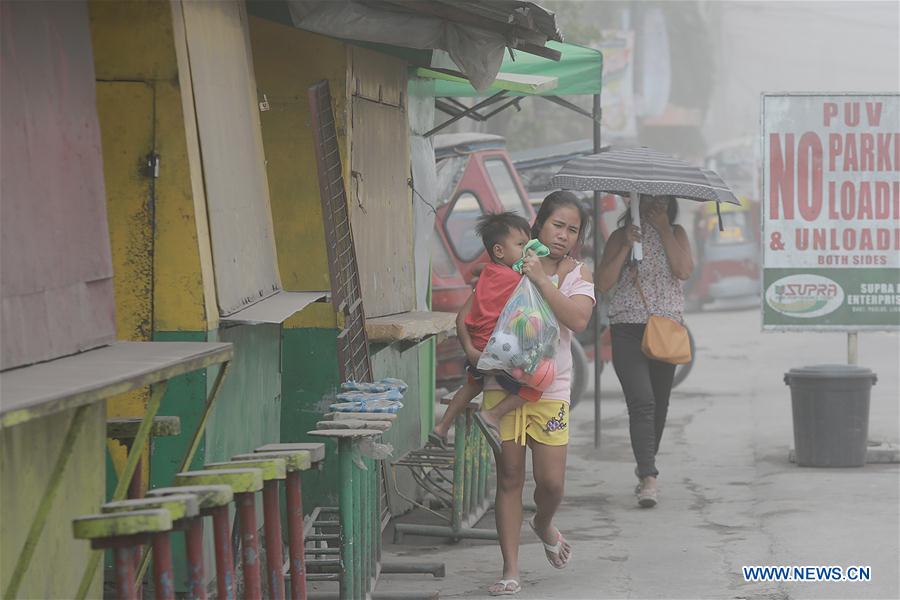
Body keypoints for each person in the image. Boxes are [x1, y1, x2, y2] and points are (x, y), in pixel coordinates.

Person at [480, 191, 594, 596]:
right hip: (503, 384)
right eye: (556, 225)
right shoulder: (512, 261)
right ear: (539, 224)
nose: (563, 235)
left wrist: (542, 279)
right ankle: (511, 570)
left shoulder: (579, 273)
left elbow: (578, 319)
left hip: (550, 388)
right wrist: (468, 344)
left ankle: (543, 523)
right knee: (509, 476)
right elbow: (477, 307)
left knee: (551, 484)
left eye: (572, 230)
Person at [430, 212, 571, 454]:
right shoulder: (515, 278)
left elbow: (465, 311)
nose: (527, 252)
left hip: (478, 345)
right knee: (537, 386)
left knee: (472, 385)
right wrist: (558, 274)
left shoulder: (487, 274)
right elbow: (544, 289)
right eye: (520, 246)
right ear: (499, 251)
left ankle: (441, 427)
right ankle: (491, 416)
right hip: (501, 350)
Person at [596, 194, 693, 508]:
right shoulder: (618, 237)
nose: (654, 206)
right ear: (634, 204)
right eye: (648, 201)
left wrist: (664, 229)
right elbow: (602, 282)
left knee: (659, 404)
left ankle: (644, 465)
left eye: (661, 202)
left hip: (665, 329)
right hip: (626, 327)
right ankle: (649, 477)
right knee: (642, 402)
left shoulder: (677, 233)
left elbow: (683, 271)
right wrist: (625, 245)